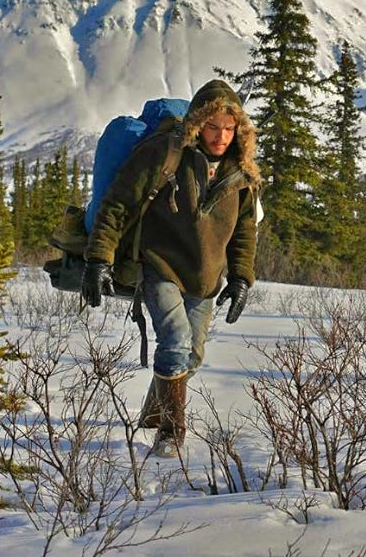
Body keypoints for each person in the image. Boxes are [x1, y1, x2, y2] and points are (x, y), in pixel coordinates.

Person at [82, 79, 261, 457]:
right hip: (159, 264)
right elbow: (117, 205)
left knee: (192, 356)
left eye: (230, 129)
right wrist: (99, 258)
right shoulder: (166, 153)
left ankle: (153, 413)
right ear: (198, 123)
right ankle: (170, 432)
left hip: (205, 277)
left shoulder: (242, 174)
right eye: (213, 127)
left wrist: (242, 277)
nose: (221, 136)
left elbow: (245, 231)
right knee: (176, 342)